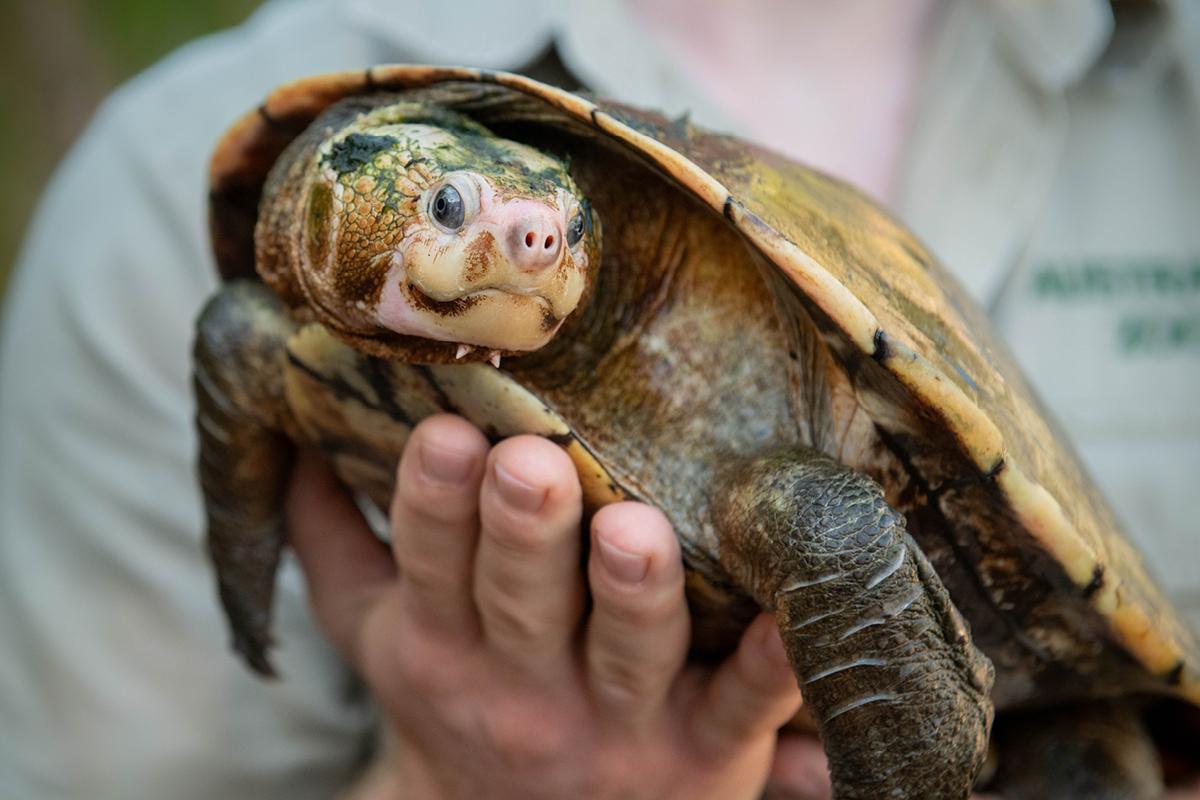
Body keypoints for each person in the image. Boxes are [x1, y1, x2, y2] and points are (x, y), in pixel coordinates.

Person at [1, 0, 1197, 798]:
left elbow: (830, 520)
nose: (525, 245)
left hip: (1033, 700)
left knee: (819, 524)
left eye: (552, 229)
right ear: (325, 220)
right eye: (462, 216)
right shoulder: (149, 211)